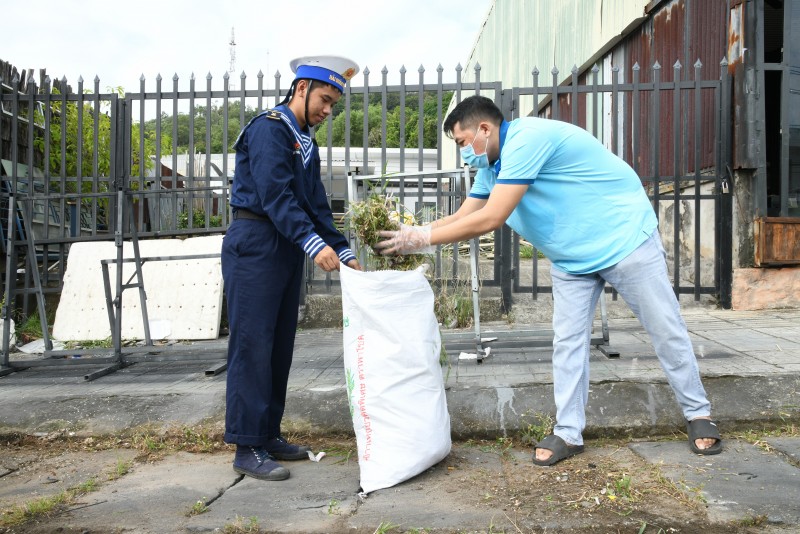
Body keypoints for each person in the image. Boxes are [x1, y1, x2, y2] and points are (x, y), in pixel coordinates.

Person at [375, 95, 722, 466]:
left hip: (624, 239)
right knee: (568, 343)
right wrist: (409, 233)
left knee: (664, 327)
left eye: (462, 143)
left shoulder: (527, 139)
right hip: (572, 257)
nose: (463, 153)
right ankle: (569, 433)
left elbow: (491, 217)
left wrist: (422, 239)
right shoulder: (491, 167)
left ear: (485, 129)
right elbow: (463, 215)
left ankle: (698, 414)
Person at [222, 55, 361, 481]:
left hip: (282, 246)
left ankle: (268, 434)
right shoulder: (270, 129)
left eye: (333, 104)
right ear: (301, 89)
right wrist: (312, 243)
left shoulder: (304, 140)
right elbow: (274, 196)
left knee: (279, 347)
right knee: (252, 346)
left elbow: (315, 203)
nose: (327, 110)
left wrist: (342, 247)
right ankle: (246, 446)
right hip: (256, 242)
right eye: (324, 99)